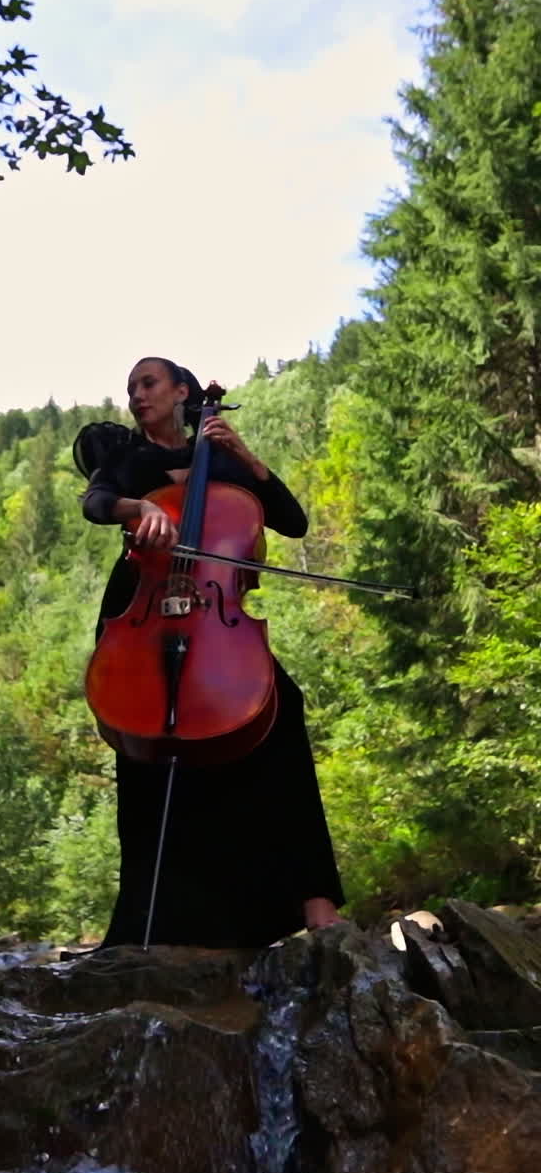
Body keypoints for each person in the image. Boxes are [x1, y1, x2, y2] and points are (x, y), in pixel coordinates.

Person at [73, 356, 345, 950]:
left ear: (181, 393)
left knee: (280, 711)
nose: (137, 395)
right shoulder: (126, 458)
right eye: (130, 388)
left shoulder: (219, 460)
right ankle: (146, 922)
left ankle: (313, 898)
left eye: (148, 384)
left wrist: (249, 460)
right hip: (142, 608)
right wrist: (138, 507)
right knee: (144, 745)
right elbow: (94, 504)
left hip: (214, 615)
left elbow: (292, 523)